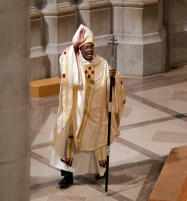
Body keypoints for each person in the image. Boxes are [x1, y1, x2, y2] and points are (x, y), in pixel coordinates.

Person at [50, 24, 125, 189]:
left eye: (91, 47)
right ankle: (67, 176)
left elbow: (111, 83)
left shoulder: (102, 64)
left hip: (97, 112)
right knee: (69, 142)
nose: (90, 50)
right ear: (80, 49)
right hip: (75, 111)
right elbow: (65, 62)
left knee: (98, 140)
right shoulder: (72, 63)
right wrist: (74, 47)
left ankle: (100, 170)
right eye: (86, 47)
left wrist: (113, 79)